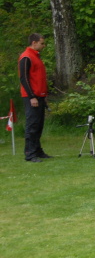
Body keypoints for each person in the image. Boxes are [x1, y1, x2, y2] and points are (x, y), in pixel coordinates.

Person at [18, 33, 50, 162]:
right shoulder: (26, 57)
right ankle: (30, 153)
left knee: (39, 124)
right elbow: (24, 78)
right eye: (42, 43)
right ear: (34, 43)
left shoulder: (36, 57)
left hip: (40, 96)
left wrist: (44, 95)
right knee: (32, 124)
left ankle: (37, 150)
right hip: (31, 96)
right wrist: (32, 96)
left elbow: (39, 79)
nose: (44, 46)